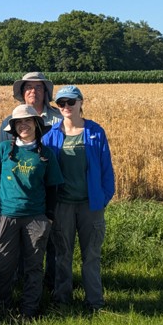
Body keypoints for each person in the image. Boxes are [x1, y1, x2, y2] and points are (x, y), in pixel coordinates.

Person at [0, 104, 64, 319]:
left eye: (28, 121)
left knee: (33, 267)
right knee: (4, 267)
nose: (24, 125)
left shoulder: (46, 154)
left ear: (37, 125)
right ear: (13, 127)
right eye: (19, 122)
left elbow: (52, 188)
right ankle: (3, 309)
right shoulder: (3, 150)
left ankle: (29, 310)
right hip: (5, 216)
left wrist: (48, 217)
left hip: (36, 219)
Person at [42, 85, 115, 313]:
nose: (66, 107)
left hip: (90, 204)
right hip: (62, 204)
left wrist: (102, 199)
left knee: (91, 255)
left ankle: (95, 302)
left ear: (81, 103)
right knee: (62, 254)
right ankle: (62, 300)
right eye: (61, 104)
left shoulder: (94, 132)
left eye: (70, 102)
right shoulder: (51, 136)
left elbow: (106, 170)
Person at [0, 72, 63, 292]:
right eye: (28, 87)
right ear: (22, 93)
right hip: (17, 199)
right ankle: (19, 287)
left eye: (39, 87)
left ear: (46, 92)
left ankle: (51, 287)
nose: (33, 91)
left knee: (50, 243)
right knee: (20, 247)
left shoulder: (58, 118)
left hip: (51, 190)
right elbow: (0, 161)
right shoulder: (10, 121)